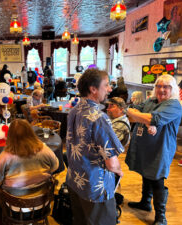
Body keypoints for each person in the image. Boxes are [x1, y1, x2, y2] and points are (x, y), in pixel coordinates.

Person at [66, 68, 124, 225]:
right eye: (106, 85)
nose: (110, 89)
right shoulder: (99, 118)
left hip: (74, 180)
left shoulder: (74, 110)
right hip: (95, 186)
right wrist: (119, 171)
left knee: (80, 221)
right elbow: (111, 163)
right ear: (93, 89)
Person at [126, 74, 182, 225]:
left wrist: (141, 116)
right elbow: (133, 110)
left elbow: (153, 119)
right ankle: (145, 202)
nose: (161, 89)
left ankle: (161, 217)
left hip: (161, 148)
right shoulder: (151, 100)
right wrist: (137, 114)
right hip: (147, 146)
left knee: (157, 178)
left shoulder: (174, 105)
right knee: (146, 172)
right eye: (158, 86)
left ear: (173, 89)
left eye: (166, 87)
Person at [0, 119, 59, 197]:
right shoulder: (44, 149)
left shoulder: (4, 157)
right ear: (31, 132)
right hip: (43, 196)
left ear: (9, 136)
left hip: (15, 202)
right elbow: (55, 166)